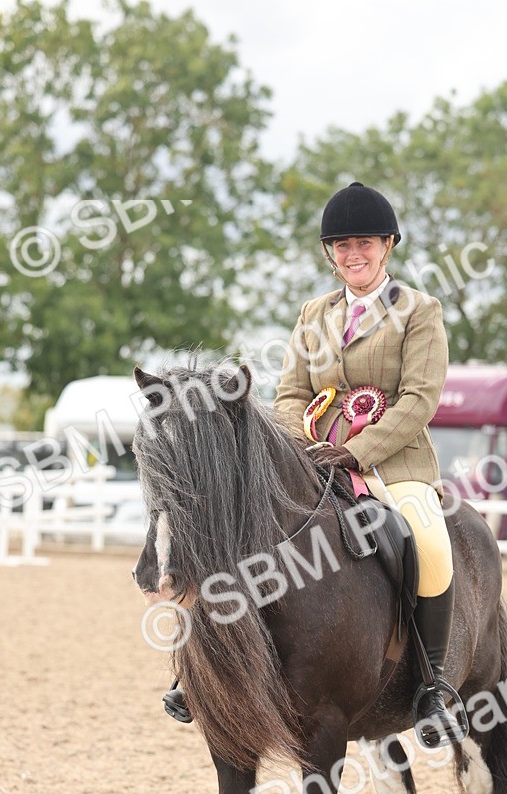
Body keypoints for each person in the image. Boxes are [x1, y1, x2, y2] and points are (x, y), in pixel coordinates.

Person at [164, 181, 463, 749]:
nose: (355, 254)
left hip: (393, 465)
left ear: (388, 245)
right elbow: (289, 394)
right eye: (343, 245)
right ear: (330, 253)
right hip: (316, 462)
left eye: (366, 243)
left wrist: (360, 449)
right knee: (239, 533)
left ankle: (432, 683)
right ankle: (200, 671)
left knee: (427, 541)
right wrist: (302, 444)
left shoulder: (421, 312)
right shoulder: (313, 314)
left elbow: (421, 398)